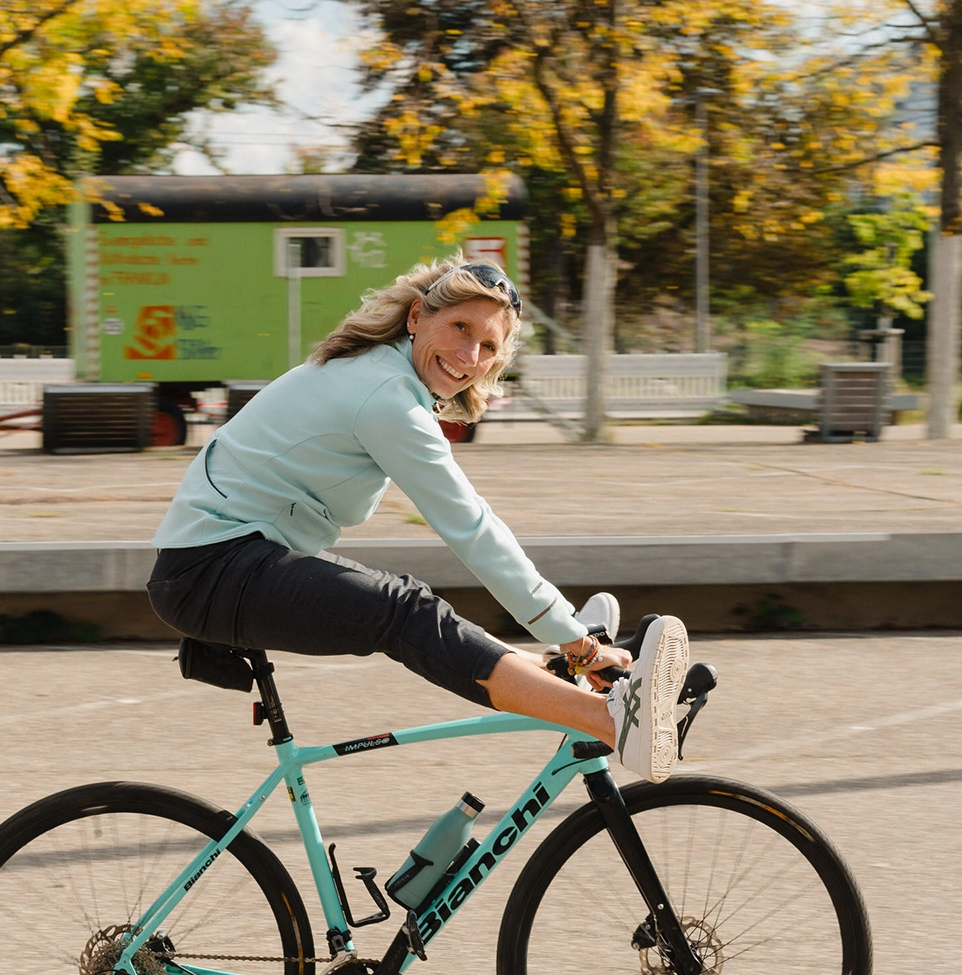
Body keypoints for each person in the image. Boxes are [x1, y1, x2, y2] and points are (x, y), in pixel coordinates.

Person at [146, 257, 691, 782]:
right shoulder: (385, 397)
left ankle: (547, 673)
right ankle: (610, 719)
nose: (468, 353)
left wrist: (567, 636)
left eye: (487, 347)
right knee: (405, 611)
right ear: (416, 317)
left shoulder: (378, 374)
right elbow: (473, 530)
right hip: (212, 570)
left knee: (411, 610)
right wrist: (579, 641)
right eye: (459, 326)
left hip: (226, 563)